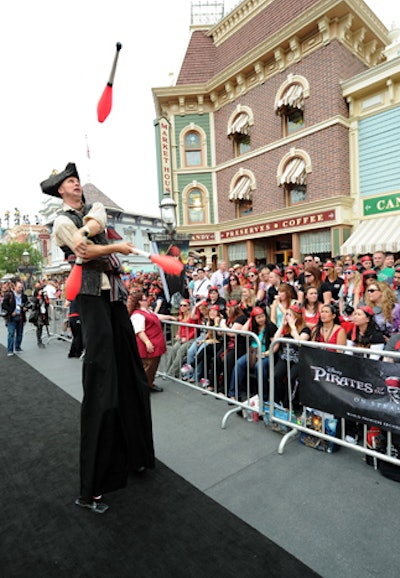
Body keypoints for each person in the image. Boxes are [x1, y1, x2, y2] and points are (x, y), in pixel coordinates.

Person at [40, 162, 155, 513]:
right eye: (71, 182)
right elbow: (82, 250)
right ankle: (92, 487)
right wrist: (114, 250)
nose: (77, 184)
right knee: (102, 382)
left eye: (77, 180)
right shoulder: (59, 221)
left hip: (114, 298)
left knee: (133, 376)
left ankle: (137, 455)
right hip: (89, 300)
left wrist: (90, 238)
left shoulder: (95, 208)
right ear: (61, 190)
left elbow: (90, 233)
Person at [228, 306, 277, 402]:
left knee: (259, 366)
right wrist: (250, 319)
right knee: (239, 364)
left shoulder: (270, 326)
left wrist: (266, 354)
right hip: (253, 352)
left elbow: (275, 344)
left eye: (262, 316)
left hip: (266, 353)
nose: (261, 319)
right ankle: (233, 394)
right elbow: (242, 333)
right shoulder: (253, 326)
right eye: (258, 317)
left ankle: (263, 398)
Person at [129, 291, 176, 393]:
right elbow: (139, 330)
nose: (147, 301)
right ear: (139, 302)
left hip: (155, 343)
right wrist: (147, 342)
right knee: (147, 367)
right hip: (148, 344)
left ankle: (149, 384)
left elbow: (157, 316)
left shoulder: (147, 311)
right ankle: (143, 388)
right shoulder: (137, 314)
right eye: (145, 300)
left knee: (152, 367)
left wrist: (170, 317)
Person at [273, 303, 311, 408]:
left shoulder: (305, 329)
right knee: (276, 375)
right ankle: (276, 401)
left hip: (299, 359)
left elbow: (299, 342)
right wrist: (282, 325)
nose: (287, 317)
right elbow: (275, 339)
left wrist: (293, 326)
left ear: (296, 316)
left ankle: (287, 406)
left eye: (289, 315)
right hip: (286, 356)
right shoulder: (287, 328)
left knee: (291, 378)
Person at [164, 298, 196, 378]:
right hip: (182, 338)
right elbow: (180, 328)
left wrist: (187, 338)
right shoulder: (181, 316)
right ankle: (167, 370)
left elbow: (195, 330)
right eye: (181, 305)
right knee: (173, 350)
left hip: (191, 339)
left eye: (184, 305)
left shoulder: (192, 316)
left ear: (189, 306)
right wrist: (178, 334)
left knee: (180, 352)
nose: (182, 307)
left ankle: (171, 372)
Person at [2, 279, 30, 356]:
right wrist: (11, 312)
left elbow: (27, 304)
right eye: (19, 287)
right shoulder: (9, 295)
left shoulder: (24, 296)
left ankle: (17, 347)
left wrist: (25, 308)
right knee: (11, 333)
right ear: (14, 287)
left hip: (21, 316)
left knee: (20, 333)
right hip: (12, 317)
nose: (20, 289)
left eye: (21, 287)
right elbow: (4, 305)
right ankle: (10, 350)